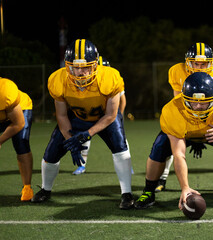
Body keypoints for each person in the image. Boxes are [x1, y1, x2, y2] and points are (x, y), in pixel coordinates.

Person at [134, 72, 213, 210]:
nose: (197, 107)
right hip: (186, 134)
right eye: (193, 101)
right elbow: (179, 155)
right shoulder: (173, 110)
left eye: (203, 103)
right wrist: (185, 187)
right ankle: (148, 192)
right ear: (184, 98)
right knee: (159, 148)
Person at [31, 39, 134, 209]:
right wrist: (71, 141)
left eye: (86, 66)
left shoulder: (109, 77)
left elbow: (110, 115)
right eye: (75, 67)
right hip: (76, 117)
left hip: (104, 117)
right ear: (67, 65)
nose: (80, 72)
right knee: (51, 153)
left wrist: (88, 134)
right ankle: (45, 189)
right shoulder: (58, 79)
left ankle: (127, 193)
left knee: (120, 148)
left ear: (96, 65)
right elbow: (62, 115)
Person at [155, 42, 213, 194]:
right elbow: (179, 102)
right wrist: (192, 132)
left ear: (211, 63)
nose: (199, 67)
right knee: (170, 140)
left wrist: (209, 129)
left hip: (212, 116)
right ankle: (162, 178)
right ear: (187, 62)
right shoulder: (177, 71)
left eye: (204, 64)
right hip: (185, 115)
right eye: (196, 63)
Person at [72, 56, 128, 175]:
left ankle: (127, 165)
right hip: (90, 114)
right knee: (85, 137)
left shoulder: (113, 78)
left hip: (108, 115)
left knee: (120, 141)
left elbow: (122, 100)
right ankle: (82, 166)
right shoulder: (85, 79)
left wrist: (120, 116)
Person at [0, 78, 34, 201]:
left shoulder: (5, 89)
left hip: (20, 111)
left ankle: (27, 187)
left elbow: (18, 123)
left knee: (21, 143)